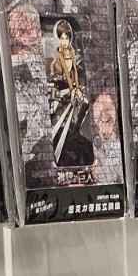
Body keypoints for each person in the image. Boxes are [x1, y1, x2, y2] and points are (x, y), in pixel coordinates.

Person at [47, 18, 95, 168]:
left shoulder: (77, 58)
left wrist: (76, 88)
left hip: (76, 93)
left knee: (83, 103)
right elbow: (53, 79)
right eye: (62, 38)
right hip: (62, 95)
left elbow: (80, 76)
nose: (64, 41)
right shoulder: (56, 61)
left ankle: (74, 132)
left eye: (66, 38)